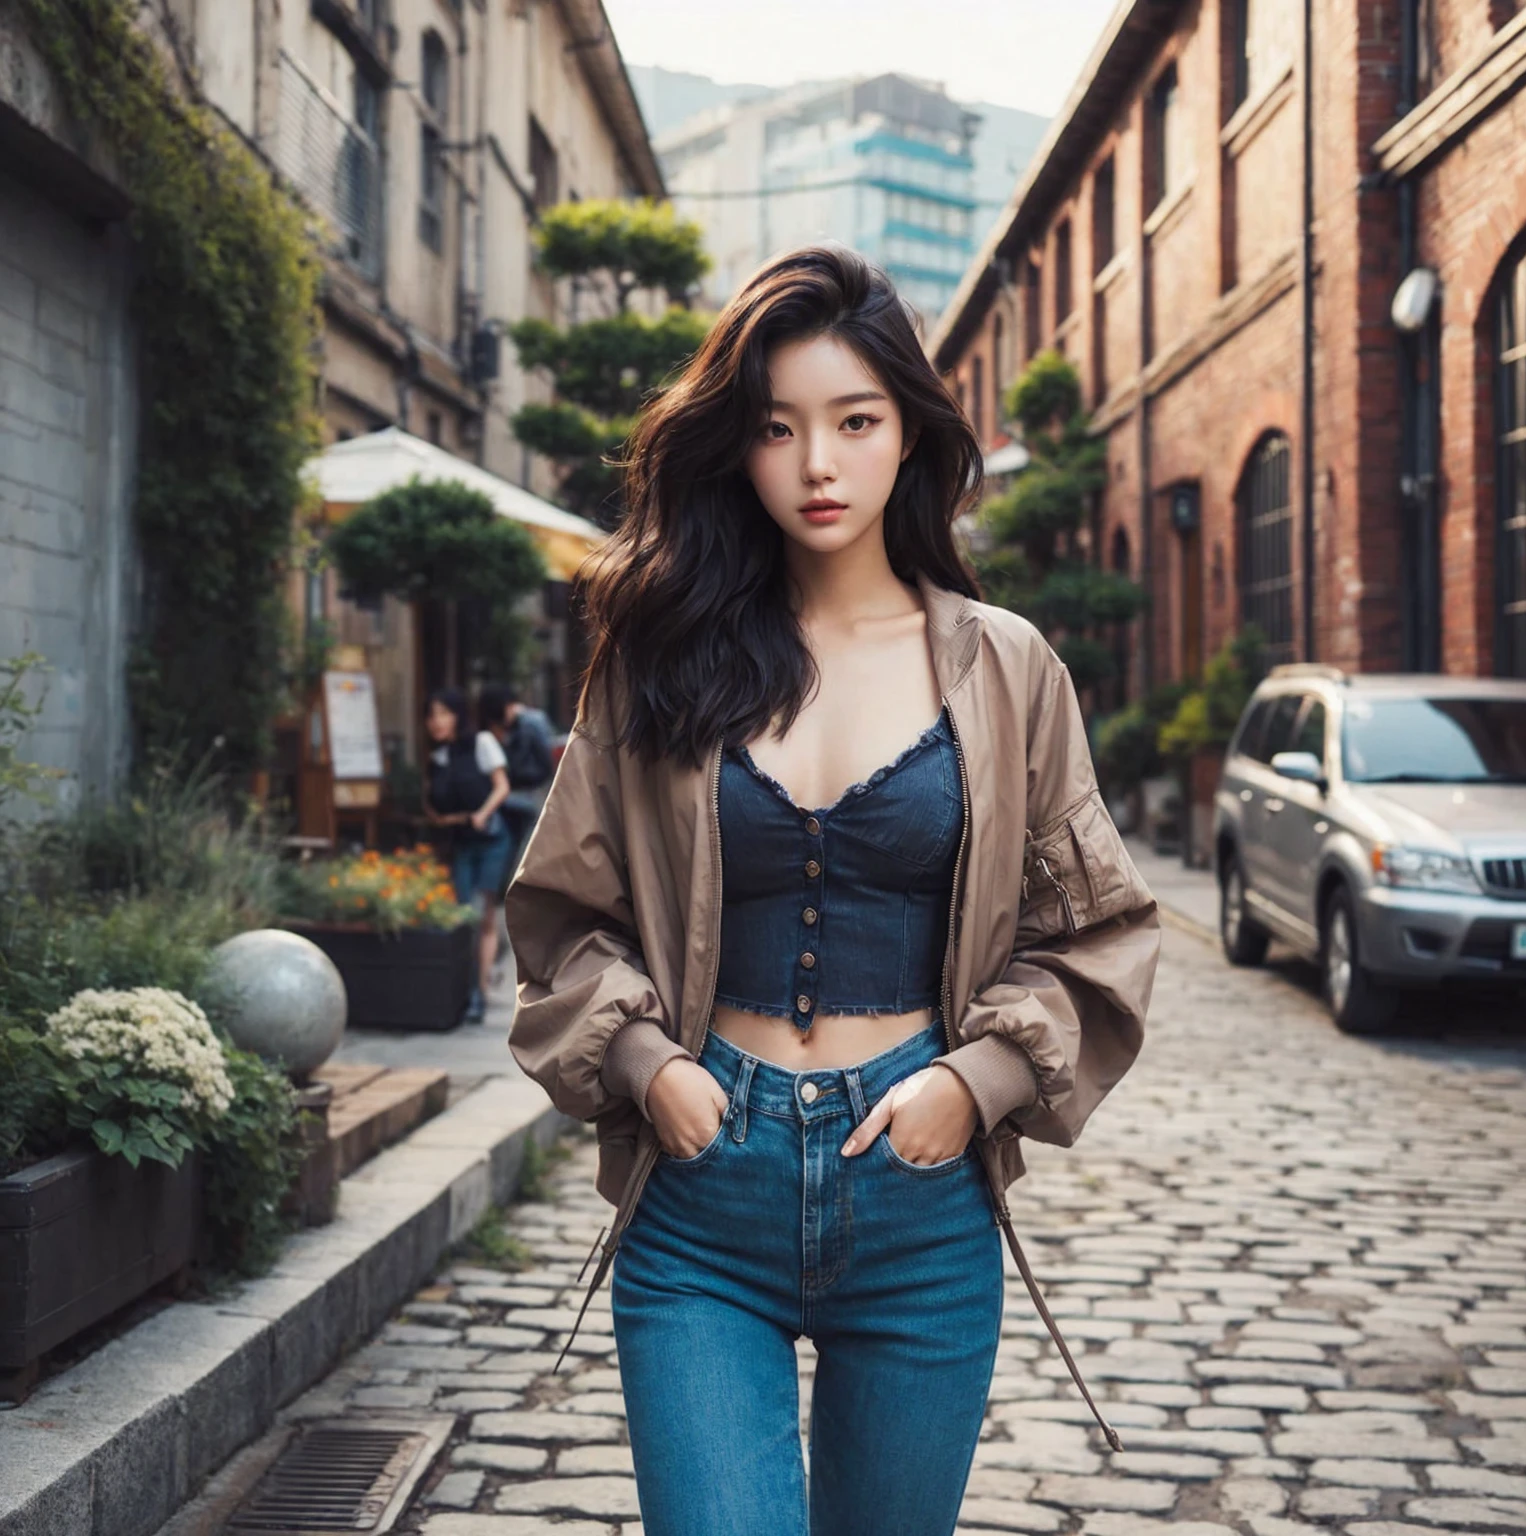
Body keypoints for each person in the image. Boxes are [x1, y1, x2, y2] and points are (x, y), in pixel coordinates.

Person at [505, 246, 1161, 1536]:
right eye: (777, 428)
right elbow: (563, 915)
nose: (818, 465)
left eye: (855, 422)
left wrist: (970, 1087)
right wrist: (648, 1066)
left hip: (921, 1199)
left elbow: (1098, 928)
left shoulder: (1007, 669)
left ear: (909, 436)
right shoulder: (656, 656)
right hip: (702, 1197)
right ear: (734, 449)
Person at [423, 686, 511, 1023]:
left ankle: (480, 992)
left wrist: (482, 813)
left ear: (458, 716)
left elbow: (502, 786)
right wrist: (442, 818)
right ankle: (463, 988)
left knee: (482, 912)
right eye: (431, 715)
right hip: (461, 841)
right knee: (462, 914)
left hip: (490, 840)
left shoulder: (482, 743)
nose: (436, 721)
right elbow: (432, 803)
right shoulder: (438, 758)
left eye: (443, 713)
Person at [480, 681, 555, 863]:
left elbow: (547, 760)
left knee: (525, 848)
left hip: (533, 793)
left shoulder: (531, 723)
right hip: (513, 795)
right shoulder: (500, 726)